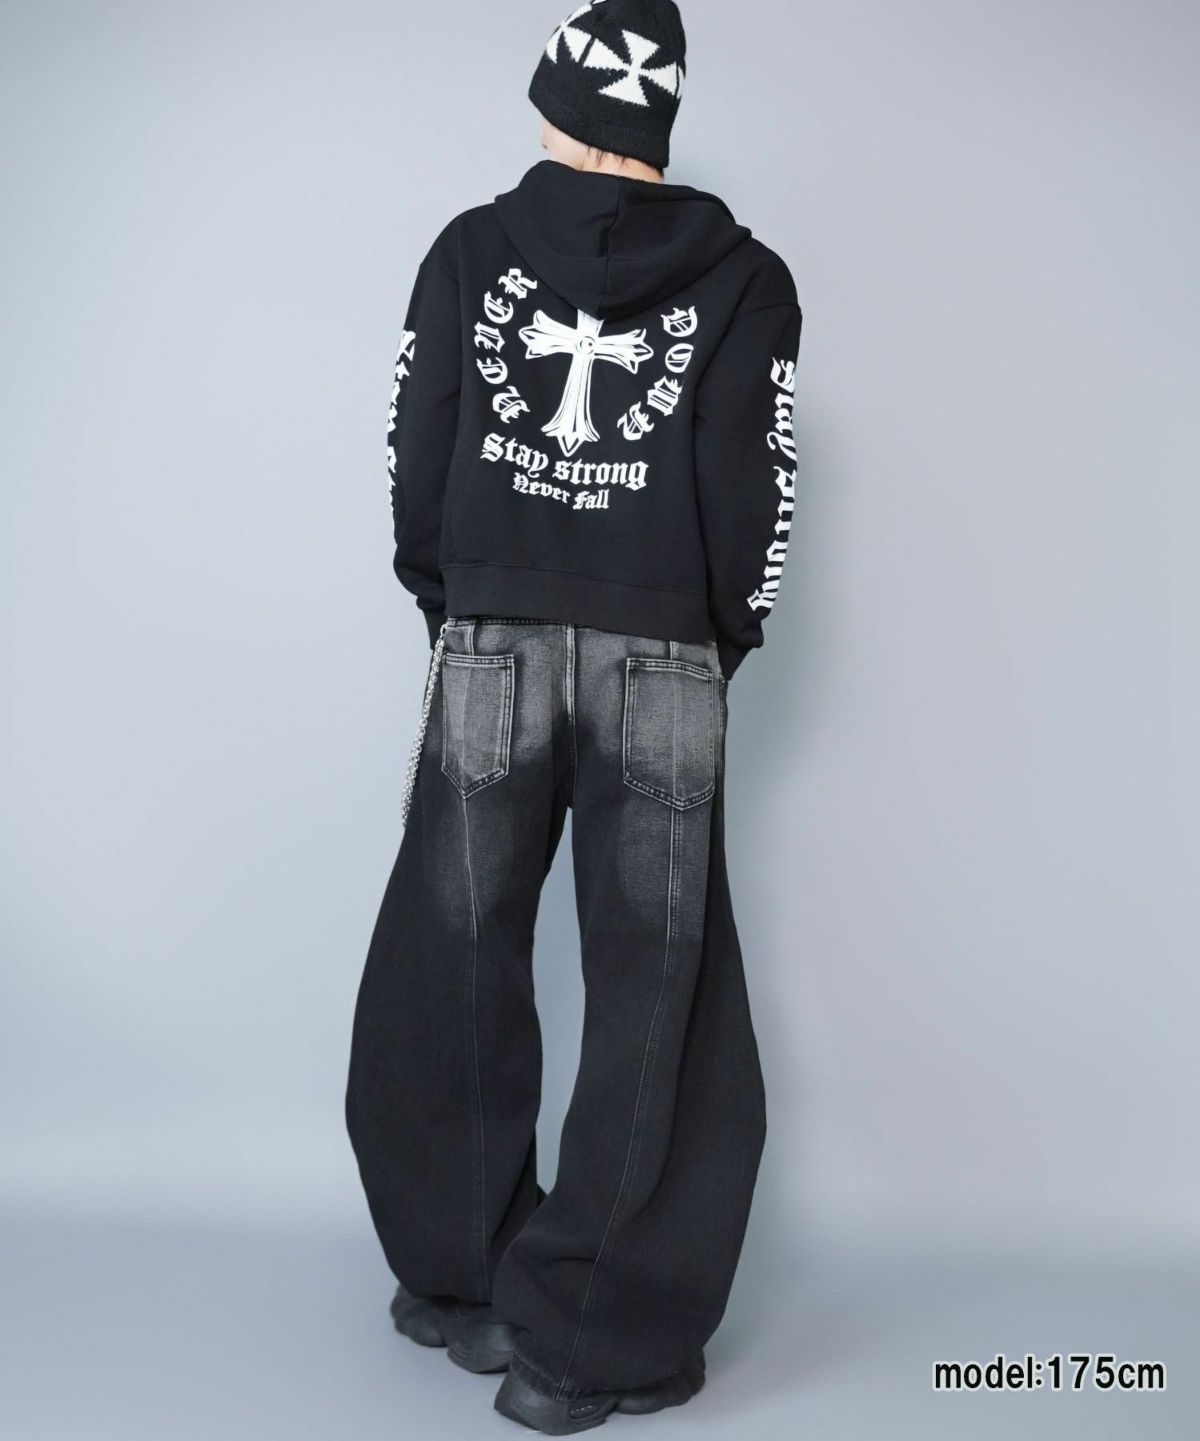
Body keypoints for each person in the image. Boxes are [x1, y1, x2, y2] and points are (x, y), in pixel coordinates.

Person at [344, 0, 803, 1431]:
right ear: (657, 125)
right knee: (657, 992)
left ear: (554, 105)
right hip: (664, 651)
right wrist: (714, 642)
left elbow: (417, 452)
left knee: (450, 958)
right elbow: (754, 484)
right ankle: (587, 1340)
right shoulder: (748, 281)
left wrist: (462, 600)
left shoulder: (468, 254)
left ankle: (463, 1280)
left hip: (492, 634)